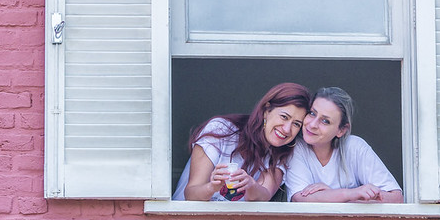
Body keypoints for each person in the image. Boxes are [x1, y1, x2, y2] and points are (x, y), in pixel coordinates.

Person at [172, 82, 311, 201]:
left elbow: (263, 196)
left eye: (296, 124)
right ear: (266, 110)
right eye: (284, 117)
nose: (287, 129)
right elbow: (191, 193)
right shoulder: (221, 130)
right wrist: (212, 187)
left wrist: (251, 185)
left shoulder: (283, 153)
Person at [286, 87, 403, 203]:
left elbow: (396, 198)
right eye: (312, 113)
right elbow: (300, 198)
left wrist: (332, 195)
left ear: (341, 130)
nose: (312, 125)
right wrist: (350, 194)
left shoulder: (355, 147)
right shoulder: (296, 147)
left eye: (325, 121)